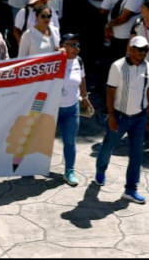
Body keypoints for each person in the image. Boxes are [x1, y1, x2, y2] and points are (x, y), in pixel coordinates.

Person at [94, 35, 149, 204]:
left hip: (140, 117)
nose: (143, 53)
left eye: (146, 50)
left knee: (137, 154)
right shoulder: (118, 66)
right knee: (109, 145)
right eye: (140, 49)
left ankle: (131, 189)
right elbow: (110, 92)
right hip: (120, 115)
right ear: (130, 49)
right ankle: (101, 169)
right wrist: (112, 116)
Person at [54, 33, 88, 187]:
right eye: (72, 44)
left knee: (70, 141)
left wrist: (85, 97)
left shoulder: (79, 61)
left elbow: (82, 80)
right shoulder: (53, 59)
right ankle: (30, 167)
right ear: (63, 45)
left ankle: (70, 171)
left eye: (78, 45)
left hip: (71, 109)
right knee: (41, 139)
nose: (77, 48)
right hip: (52, 109)